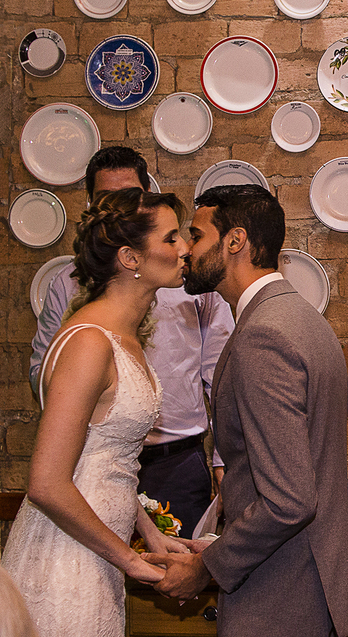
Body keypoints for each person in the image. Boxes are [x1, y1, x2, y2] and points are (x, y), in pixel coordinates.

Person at [146, 185, 348, 637]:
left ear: (235, 241)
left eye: (196, 235)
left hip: (282, 597)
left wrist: (208, 566)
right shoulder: (300, 316)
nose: (186, 249)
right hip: (310, 583)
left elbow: (289, 499)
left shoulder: (263, 337)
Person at [2, 188, 195, 637]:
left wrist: (149, 533)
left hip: (95, 552)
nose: (185, 248)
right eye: (171, 238)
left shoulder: (123, 335)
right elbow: (47, 483)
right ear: (130, 258)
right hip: (63, 560)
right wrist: (131, 562)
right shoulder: (90, 342)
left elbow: (103, 459)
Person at [29, 147, 234, 539]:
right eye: (108, 201)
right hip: (88, 468)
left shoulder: (183, 285)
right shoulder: (81, 318)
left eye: (131, 197)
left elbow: (221, 373)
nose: (184, 248)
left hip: (175, 462)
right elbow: (46, 379)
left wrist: (226, 458)